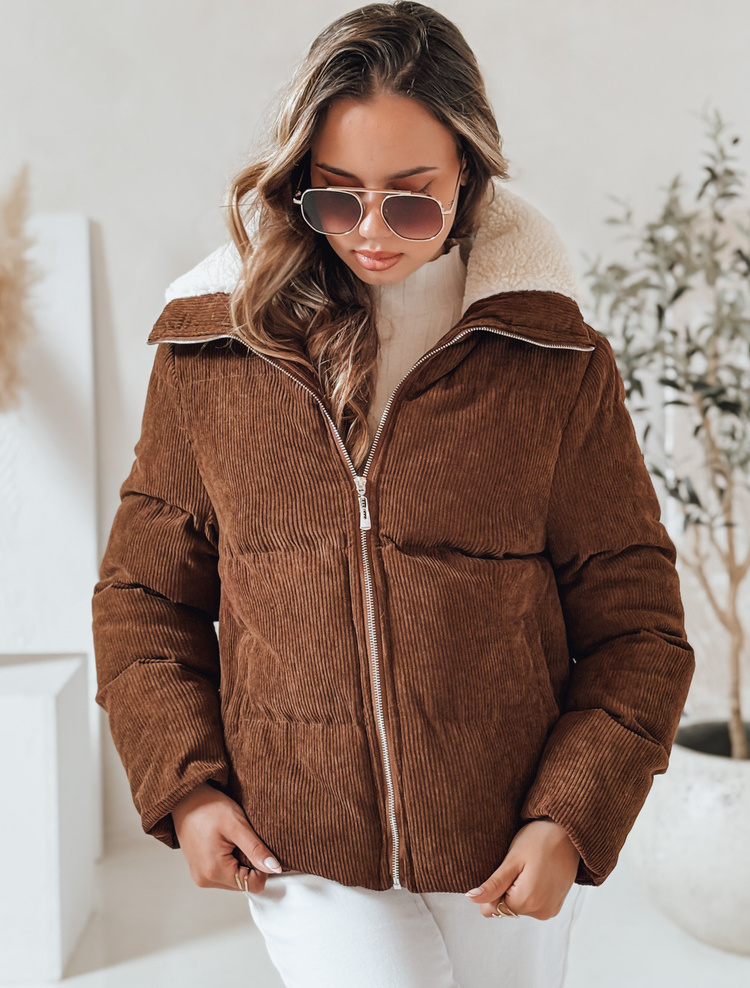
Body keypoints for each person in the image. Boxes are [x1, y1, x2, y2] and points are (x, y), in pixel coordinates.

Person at [91, 3, 695, 986]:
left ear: (468, 172)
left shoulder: (551, 361)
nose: (371, 233)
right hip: (299, 838)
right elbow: (143, 598)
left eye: (411, 202)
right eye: (338, 198)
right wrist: (188, 788)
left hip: (508, 838)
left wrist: (570, 815)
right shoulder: (215, 356)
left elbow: (639, 626)